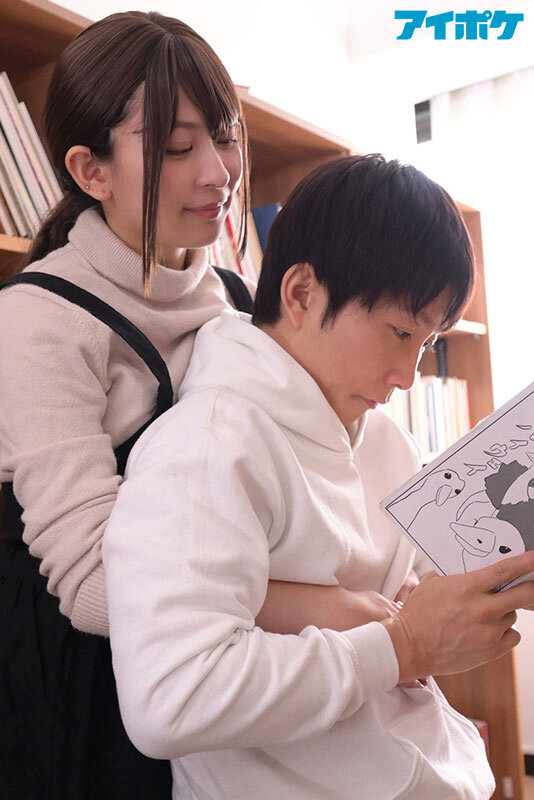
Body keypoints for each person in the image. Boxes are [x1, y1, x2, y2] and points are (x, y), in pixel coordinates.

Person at [0, 11, 375, 799]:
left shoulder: (240, 300)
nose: (218, 172)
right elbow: (98, 591)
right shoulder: (38, 322)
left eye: (226, 135)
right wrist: (336, 607)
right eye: (177, 148)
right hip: (89, 707)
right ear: (91, 171)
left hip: (233, 674)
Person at [103, 154, 534, 800]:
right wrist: (403, 644)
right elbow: (172, 697)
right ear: (301, 293)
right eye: (399, 332)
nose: (408, 376)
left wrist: (444, 605)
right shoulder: (208, 447)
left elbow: (401, 598)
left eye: (426, 344)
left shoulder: (386, 441)